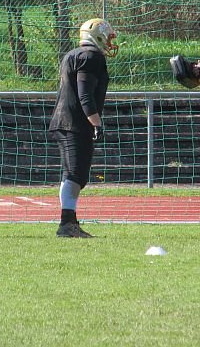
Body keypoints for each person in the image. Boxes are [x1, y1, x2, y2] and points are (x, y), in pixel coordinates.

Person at [49, 18, 119, 238]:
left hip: (65, 121)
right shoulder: (91, 57)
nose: (109, 43)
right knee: (75, 174)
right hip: (75, 123)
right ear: (98, 36)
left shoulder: (73, 54)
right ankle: (66, 224)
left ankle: (69, 222)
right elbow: (85, 94)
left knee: (74, 174)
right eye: (107, 38)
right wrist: (96, 123)